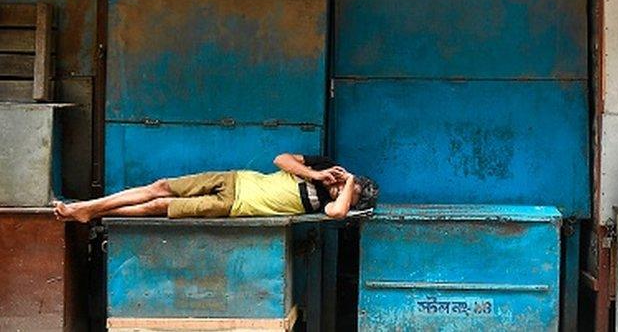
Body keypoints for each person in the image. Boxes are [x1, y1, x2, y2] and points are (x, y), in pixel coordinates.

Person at [54, 153, 378, 223]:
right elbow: (281, 159)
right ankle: (89, 208)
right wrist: (317, 175)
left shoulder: (334, 203)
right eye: (345, 182)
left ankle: (89, 212)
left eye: (348, 190)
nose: (338, 188)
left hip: (233, 207)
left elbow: (337, 213)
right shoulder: (321, 168)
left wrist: (348, 183)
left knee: (158, 207)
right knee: (160, 187)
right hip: (235, 180)